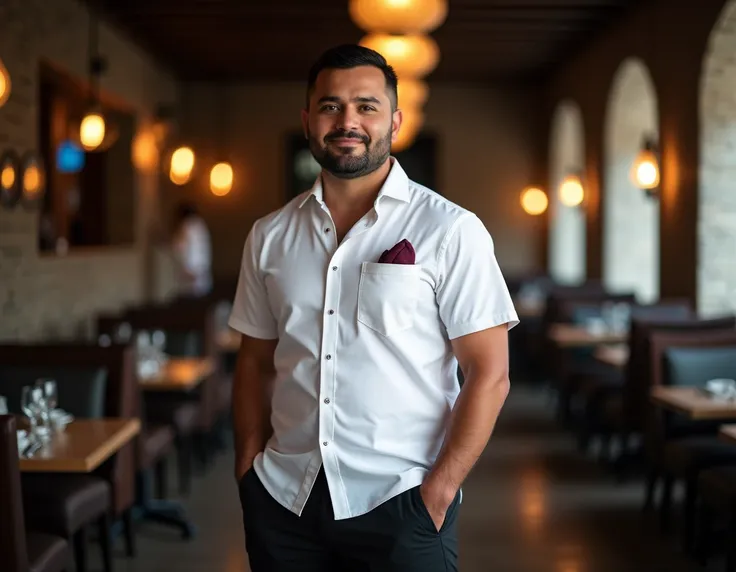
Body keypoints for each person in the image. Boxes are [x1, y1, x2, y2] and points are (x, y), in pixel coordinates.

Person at [228, 44, 519, 571]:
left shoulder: (450, 229)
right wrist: (248, 468)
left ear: (396, 120)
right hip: (282, 500)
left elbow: (490, 373)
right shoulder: (268, 236)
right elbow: (252, 360)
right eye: (330, 106)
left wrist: (438, 492)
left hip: (402, 501)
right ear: (308, 120)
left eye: (366, 106)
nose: (347, 121)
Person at [172, 202, 212, 297]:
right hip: (201, 271)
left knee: (190, 302)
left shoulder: (187, 227)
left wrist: (190, 269)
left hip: (191, 274)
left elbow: (182, 249)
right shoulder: (201, 225)